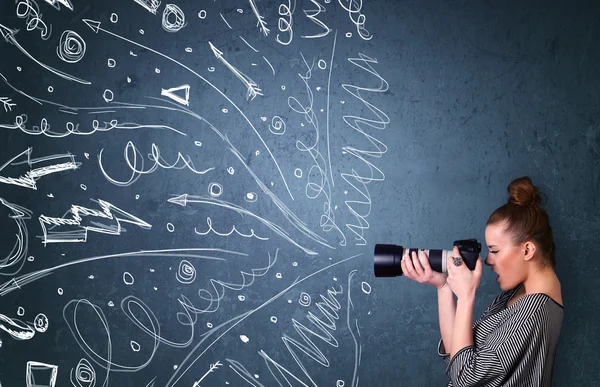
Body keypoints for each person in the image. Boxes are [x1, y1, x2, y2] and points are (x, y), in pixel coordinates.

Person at [402, 176, 563, 386]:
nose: (487, 260)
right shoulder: (517, 294)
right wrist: (443, 285)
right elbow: (457, 357)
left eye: (495, 250)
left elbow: (463, 379)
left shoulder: (532, 311)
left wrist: (466, 296)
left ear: (527, 250)